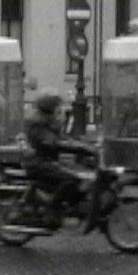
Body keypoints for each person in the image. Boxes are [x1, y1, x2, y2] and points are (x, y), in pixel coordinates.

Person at [24, 91, 97, 225]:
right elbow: (54, 143)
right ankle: (53, 209)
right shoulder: (38, 123)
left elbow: (63, 140)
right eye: (56, 106)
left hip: (46, 159)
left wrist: (86, 144)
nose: (59, 109)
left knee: (80, 172)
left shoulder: (48, 121)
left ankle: (70, 205)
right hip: (38, 162)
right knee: (71, 178)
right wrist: (81, 149)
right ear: (49, 108)